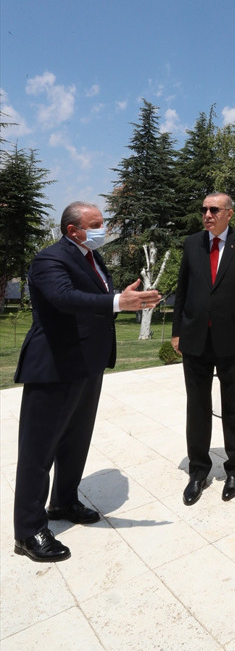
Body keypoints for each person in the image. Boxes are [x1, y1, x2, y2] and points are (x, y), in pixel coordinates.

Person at [13, 201, 162, 563]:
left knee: (75, 441)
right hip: (54, 367)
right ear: (72, 230)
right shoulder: (49, 259)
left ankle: (64, 501)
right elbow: (64, 298)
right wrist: (115, 301)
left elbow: (93, 298)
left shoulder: (92, 258)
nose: (103, 229)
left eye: (103, 223)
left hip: (87, 365)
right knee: (38, 451)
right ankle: (29, 530)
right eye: (95, 224)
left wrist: (120, 297)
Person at [171, 193, 235, 505]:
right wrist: (176, 332)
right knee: (196, 407)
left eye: (214, 210)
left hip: (233, 338)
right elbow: (182, 290)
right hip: (195, 339)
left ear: (229, 214)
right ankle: (198, 471)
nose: (207, 215)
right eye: (204, 210)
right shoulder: (192, 243)